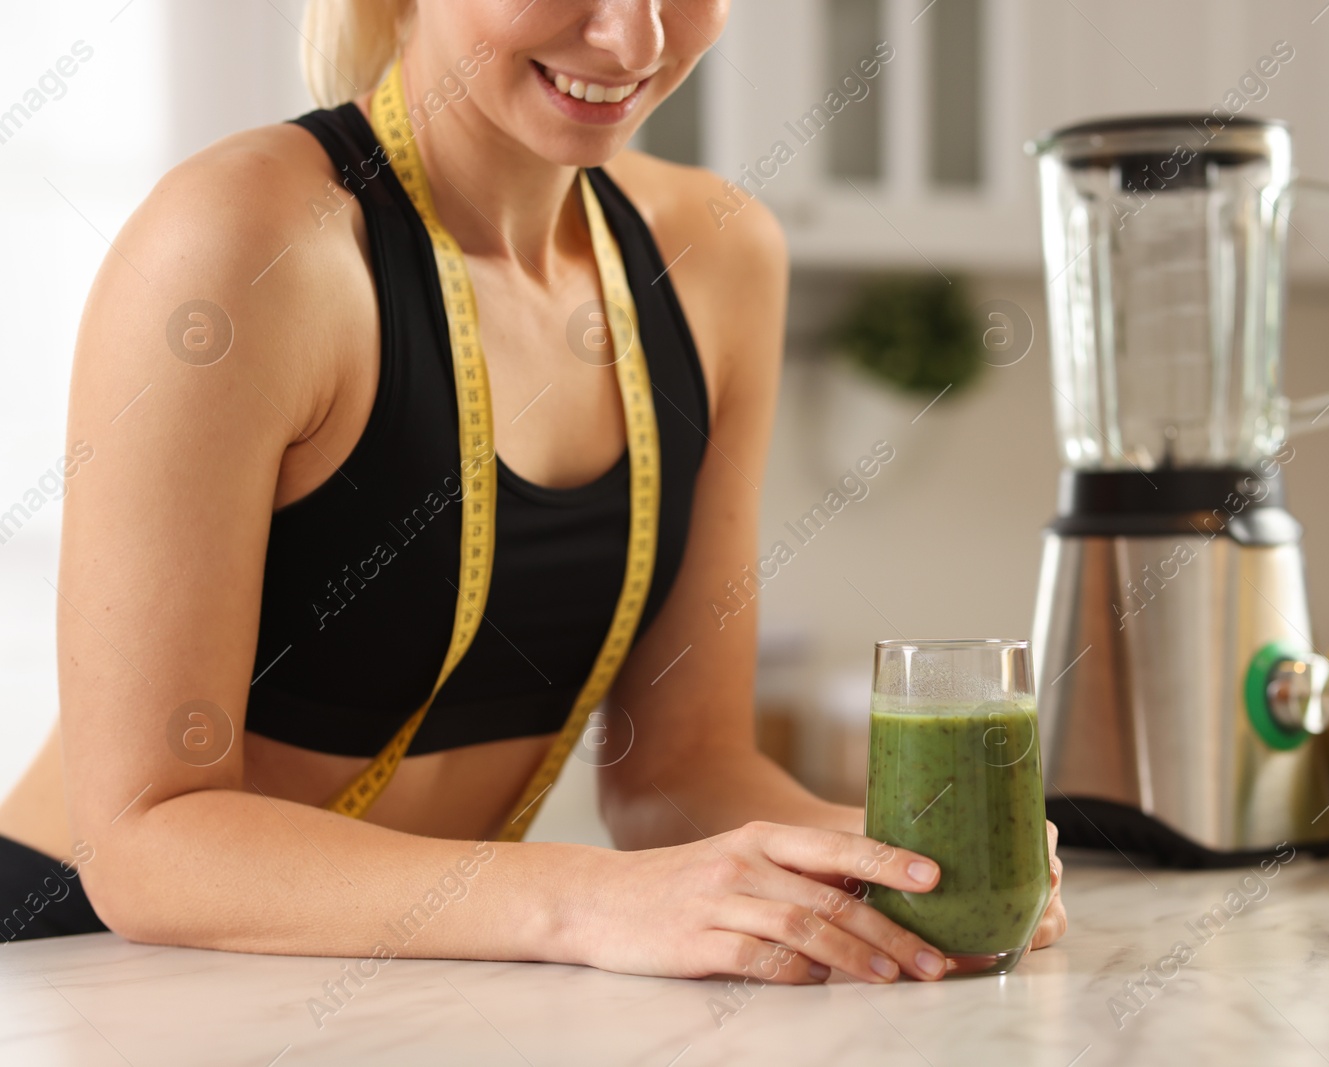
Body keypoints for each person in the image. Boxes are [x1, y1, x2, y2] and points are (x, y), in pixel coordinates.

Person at [0, 0, 1065, 983]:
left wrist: (885, 864)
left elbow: (679, 774)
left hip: (381, 981)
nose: (637, 39)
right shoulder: (245, 244)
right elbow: (141, 840)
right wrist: (589, 901)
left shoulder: (716, 257)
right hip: (78, 965)